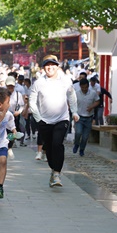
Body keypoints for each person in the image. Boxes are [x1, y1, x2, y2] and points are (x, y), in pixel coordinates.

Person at [28, 55, 78, 188]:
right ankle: (53, 169)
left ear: (57, 67)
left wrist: (74, 112)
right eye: (47, 66)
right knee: (49, 147)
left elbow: (72, 95)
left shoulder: (65, 81)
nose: (50, 68)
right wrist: (38, 118)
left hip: (62, 119)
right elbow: (32, 101)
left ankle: (57, 173)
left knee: (57, 144)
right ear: (44, 68)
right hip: (44, 120)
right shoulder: (39, 83)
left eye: (52, 65)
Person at [72, 78, 99, 156]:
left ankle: (82, 149)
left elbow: (97, 101)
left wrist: (92, 107)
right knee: (78, 132)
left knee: (85, 136)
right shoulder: (76, 93)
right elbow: (72, 103)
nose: (84, 89)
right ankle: (76, 144)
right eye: (82, 87)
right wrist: (73, 113)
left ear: (88, 86)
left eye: (86, 87)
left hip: (89, 118)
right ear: (80, 86)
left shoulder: (93, 93)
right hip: (79, 117)